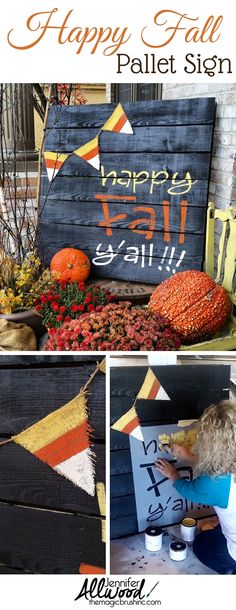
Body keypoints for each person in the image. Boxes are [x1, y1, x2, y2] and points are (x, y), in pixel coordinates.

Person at [155, 400, 236, 574]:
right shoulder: (222, 476)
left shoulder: (213, 483)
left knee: (200, 544)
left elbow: (189, 490)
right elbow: (224, 465)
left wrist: (173, 475)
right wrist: (189, 455)